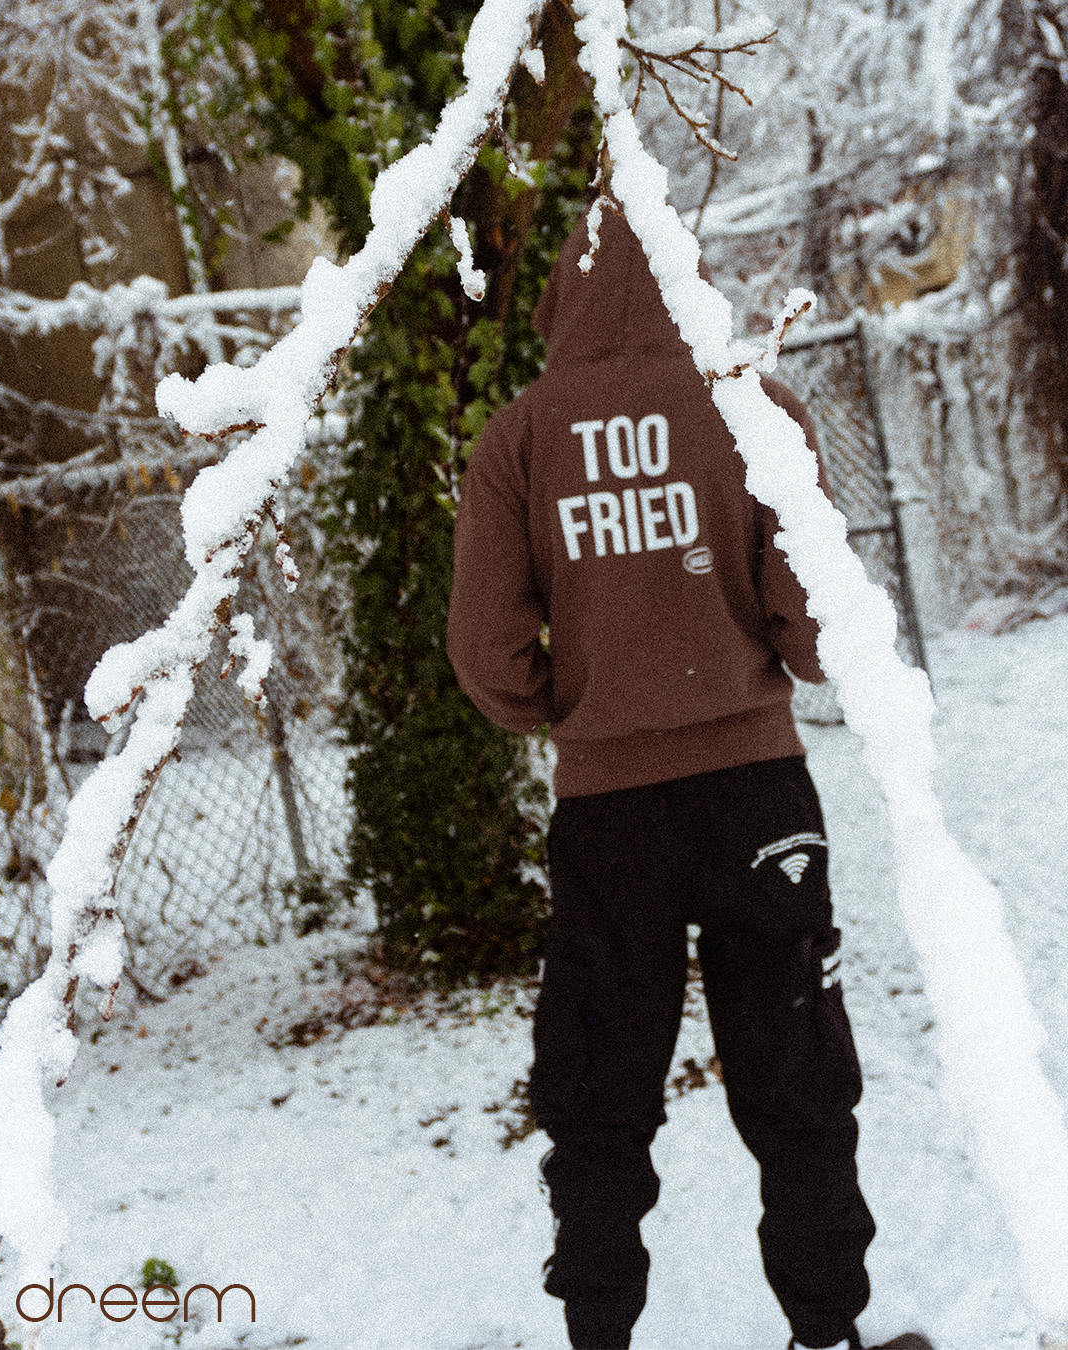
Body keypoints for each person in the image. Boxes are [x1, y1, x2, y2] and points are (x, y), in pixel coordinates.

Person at [447, 205, 888, 1350]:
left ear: (561, 296)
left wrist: (582, 707)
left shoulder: (520, 438)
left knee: (599, 1088)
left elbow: (486, 654)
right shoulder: (754, 407)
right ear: (691, 279)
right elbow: (816, 631)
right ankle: (827, 1329)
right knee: (797, 1071)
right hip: (757, 798)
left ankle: (600, 1332)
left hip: (610, 819)